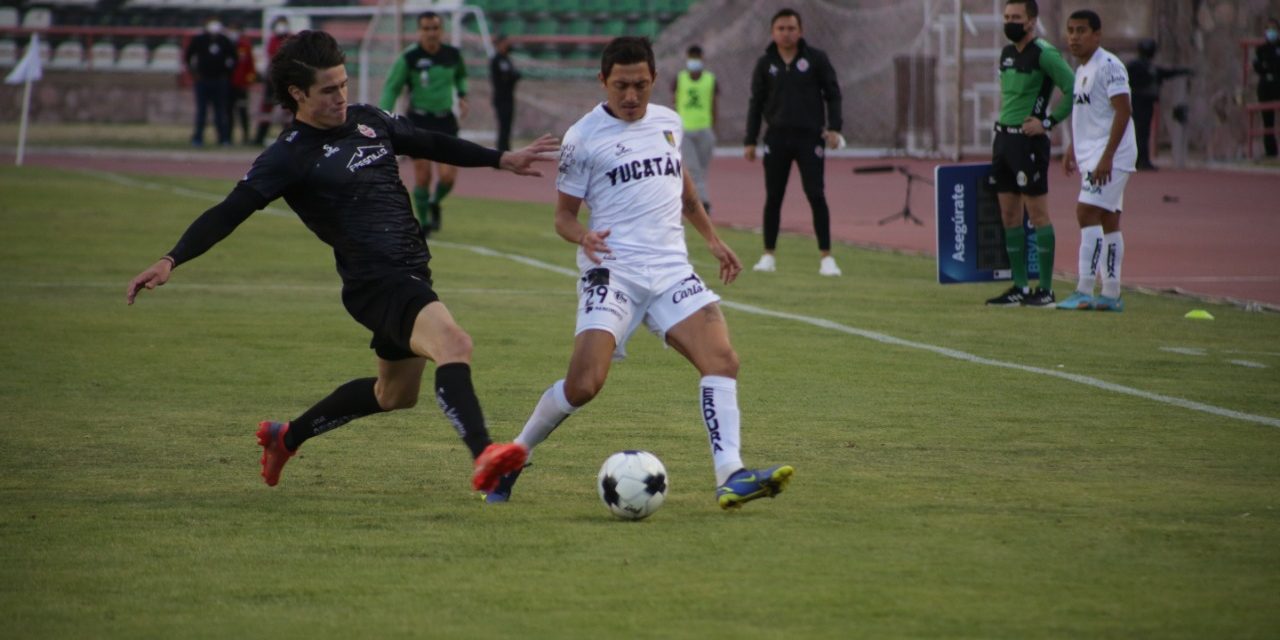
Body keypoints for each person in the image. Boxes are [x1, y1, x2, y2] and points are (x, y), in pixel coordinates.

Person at [125, 30, 558, 494]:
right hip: (377, 282)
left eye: (344, 84)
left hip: (409, 270)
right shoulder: (289, 156)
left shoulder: (369, 119)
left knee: (393, 395)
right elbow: (231, 210)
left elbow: (429, 140)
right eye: (328, 90)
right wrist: (173, 258)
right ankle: (486, 456)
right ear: (298, 94)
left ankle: (286, 437)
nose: (341, 97)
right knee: (455, 344)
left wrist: (500, 158)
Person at [484, 36, 794, 510]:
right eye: (622, 86)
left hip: (671, 270)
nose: (631, 97)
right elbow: (563, 217)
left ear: (654, 81)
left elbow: (685, 191)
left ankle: (731, 474)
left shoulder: (669, 123)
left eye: (642, 86)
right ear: (602, 81)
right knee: (584, 384)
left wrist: (712, 240)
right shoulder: (582, 137)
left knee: (723, 360)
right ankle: (515, 455)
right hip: (613, 272)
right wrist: (582, 235)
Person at [983, 0, 1074, 307]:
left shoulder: (1045, 54)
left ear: (1032, 21)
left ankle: (1045, 290)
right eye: (1007, 16)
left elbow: (1074, 88)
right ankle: (1020, 286)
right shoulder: (1006, 54)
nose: (1010, 21)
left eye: (1016, 17)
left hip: (1028, 142)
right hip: (1003, 141)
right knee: (1009, 215)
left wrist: (1048, 122)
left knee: (1037, 214)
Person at [744, 8, 844, 277]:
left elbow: (833, 94)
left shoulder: (816, 59)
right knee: (773, 197)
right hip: (776, 137)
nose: (786, 33)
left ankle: (826, 257)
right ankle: (768, 255)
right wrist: (750, 140)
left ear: (800, 31)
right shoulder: (765, 63)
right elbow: (756, 102)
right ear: (772, 32)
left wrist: (834, 128)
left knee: (815, 193)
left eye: (791, 28)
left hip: (809, 137)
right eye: (781, 29)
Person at [1058, 9, 1137, 313]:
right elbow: (1087, 115)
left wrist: (1107, 157)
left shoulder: (1109, 66)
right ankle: (1112, 293)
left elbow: (1123, 110)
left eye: (1081, 31)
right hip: (1093, 153)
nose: (1074, 37)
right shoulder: (1082, 70)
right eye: (1071, 31)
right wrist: (1072, 148)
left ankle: (1084, 289)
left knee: (1085, 211)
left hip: (1112, 155)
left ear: (1097, 35)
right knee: (1108, 220)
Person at [380, 11, 469, 237]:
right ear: (419, 31)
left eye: (435, 28)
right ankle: (425, 223)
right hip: (418, 120)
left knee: (448, 176)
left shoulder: (452, 55)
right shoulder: (409, 58)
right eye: (426, 28)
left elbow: (461, 75)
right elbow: (392, 87)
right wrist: (383, 115)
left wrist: (462, 94)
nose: (431, 33)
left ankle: (434, 202)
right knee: (423, 175)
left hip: (446, 120)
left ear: (442, 30)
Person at [1126, 39, 1191, 170]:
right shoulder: (1135, 66)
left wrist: (1183, 71)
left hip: (1146, 103)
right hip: (1137, 102)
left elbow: (1164, 73)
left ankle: (1142, 160)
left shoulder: (1149, 67)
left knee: (1143, 132)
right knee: (1140, 132)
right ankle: (1140, 161)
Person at [672, 44, 717, 214]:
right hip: (686, 130)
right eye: (691, 58)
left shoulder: (710, 79)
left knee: (701, 170)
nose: (694, 62)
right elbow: (675, 102)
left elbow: (714, 105)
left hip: (705, 129)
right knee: (693, 170)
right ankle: (703, 204)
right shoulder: (680, 79)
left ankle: (692, 201)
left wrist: (714, 129)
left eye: (697, 58)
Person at [184, 16, 237, 147]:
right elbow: (188, 56)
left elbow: (234, 58)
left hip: (219, 81)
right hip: (203, 80)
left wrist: (227, 74)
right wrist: (194, 73)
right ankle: (198, 138)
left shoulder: (224, 40)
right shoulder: (199, 40)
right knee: (201, 111)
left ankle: (223, 139)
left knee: (220, 111)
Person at [253, 16, 293, 146]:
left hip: (288, 78)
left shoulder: (292, 40)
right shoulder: (272, 40)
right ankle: (260, 137)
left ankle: (289, 137)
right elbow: (272, 56)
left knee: (288, 109)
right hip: (273, 79)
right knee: (266, 108)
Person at [1253, 18, 1280, 158]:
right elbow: (1258, 66)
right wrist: (1267, 69)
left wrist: (1271, 68)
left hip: (1278, 84)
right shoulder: (1261, 49)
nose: (1271, 32)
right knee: (1267, 120)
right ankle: (1271, 151)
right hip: (1265, 86)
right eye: (1268, 29)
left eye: (1274, 29)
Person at [489, 34, 521, 153]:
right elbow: (506, 77)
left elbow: (513, 75)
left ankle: (506, 149)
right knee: (502, 125)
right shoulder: (497, 60)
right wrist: (512, 76)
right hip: (501, 97)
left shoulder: (507, 59)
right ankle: (501, 152)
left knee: (507, 125)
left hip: (509, 97)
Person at [226, 21, 256, 145]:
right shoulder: (225, 45)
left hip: (241, 85)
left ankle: (246, 137)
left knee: (243, 111)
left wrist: (248, 82)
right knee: (228, 112)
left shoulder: (245, 46)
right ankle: (227, 137)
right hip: (228, 85)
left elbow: (250, 66)